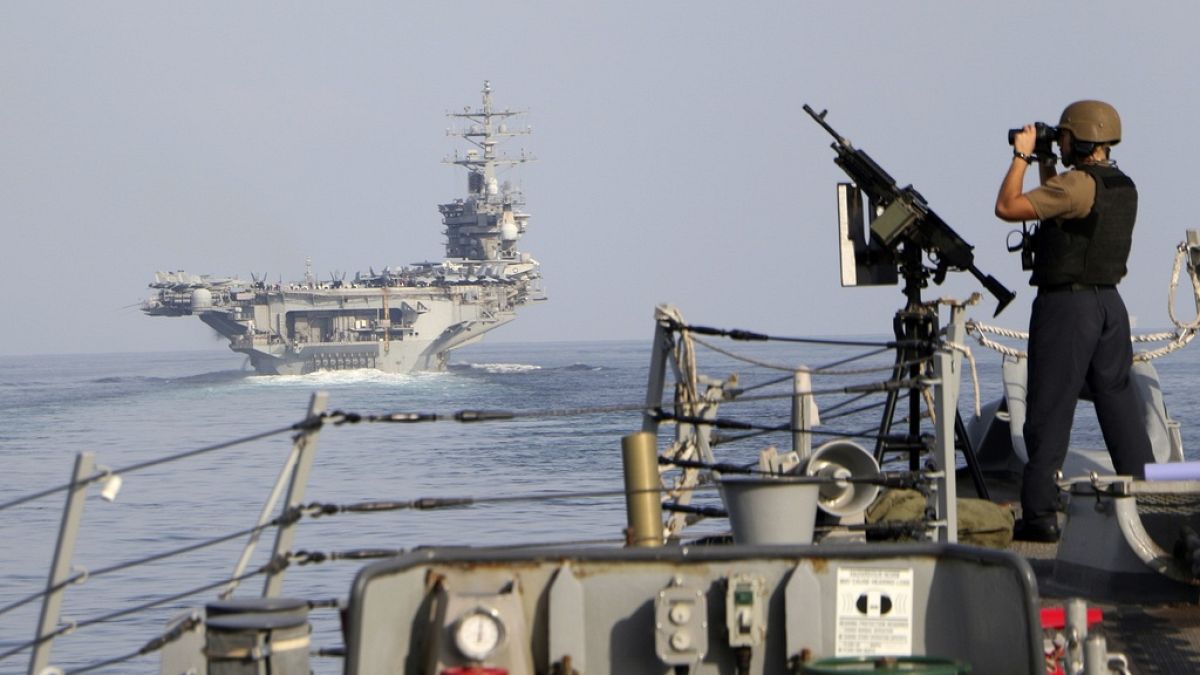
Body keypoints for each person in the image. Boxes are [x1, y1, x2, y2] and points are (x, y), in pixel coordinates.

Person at [994, 100, 1155, 542]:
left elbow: (1008, 207)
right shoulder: (1120, 185)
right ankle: (1151, 504)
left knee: (1048, 408)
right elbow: (1061, 206)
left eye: (1062, 136)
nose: (1058, 141)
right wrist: (1049, 163)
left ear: (1079, 138)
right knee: (1119, 407)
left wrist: (1022, 157)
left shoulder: (1076, 185)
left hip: (1068, 308)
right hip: (1109, 306)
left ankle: (1041, 516)